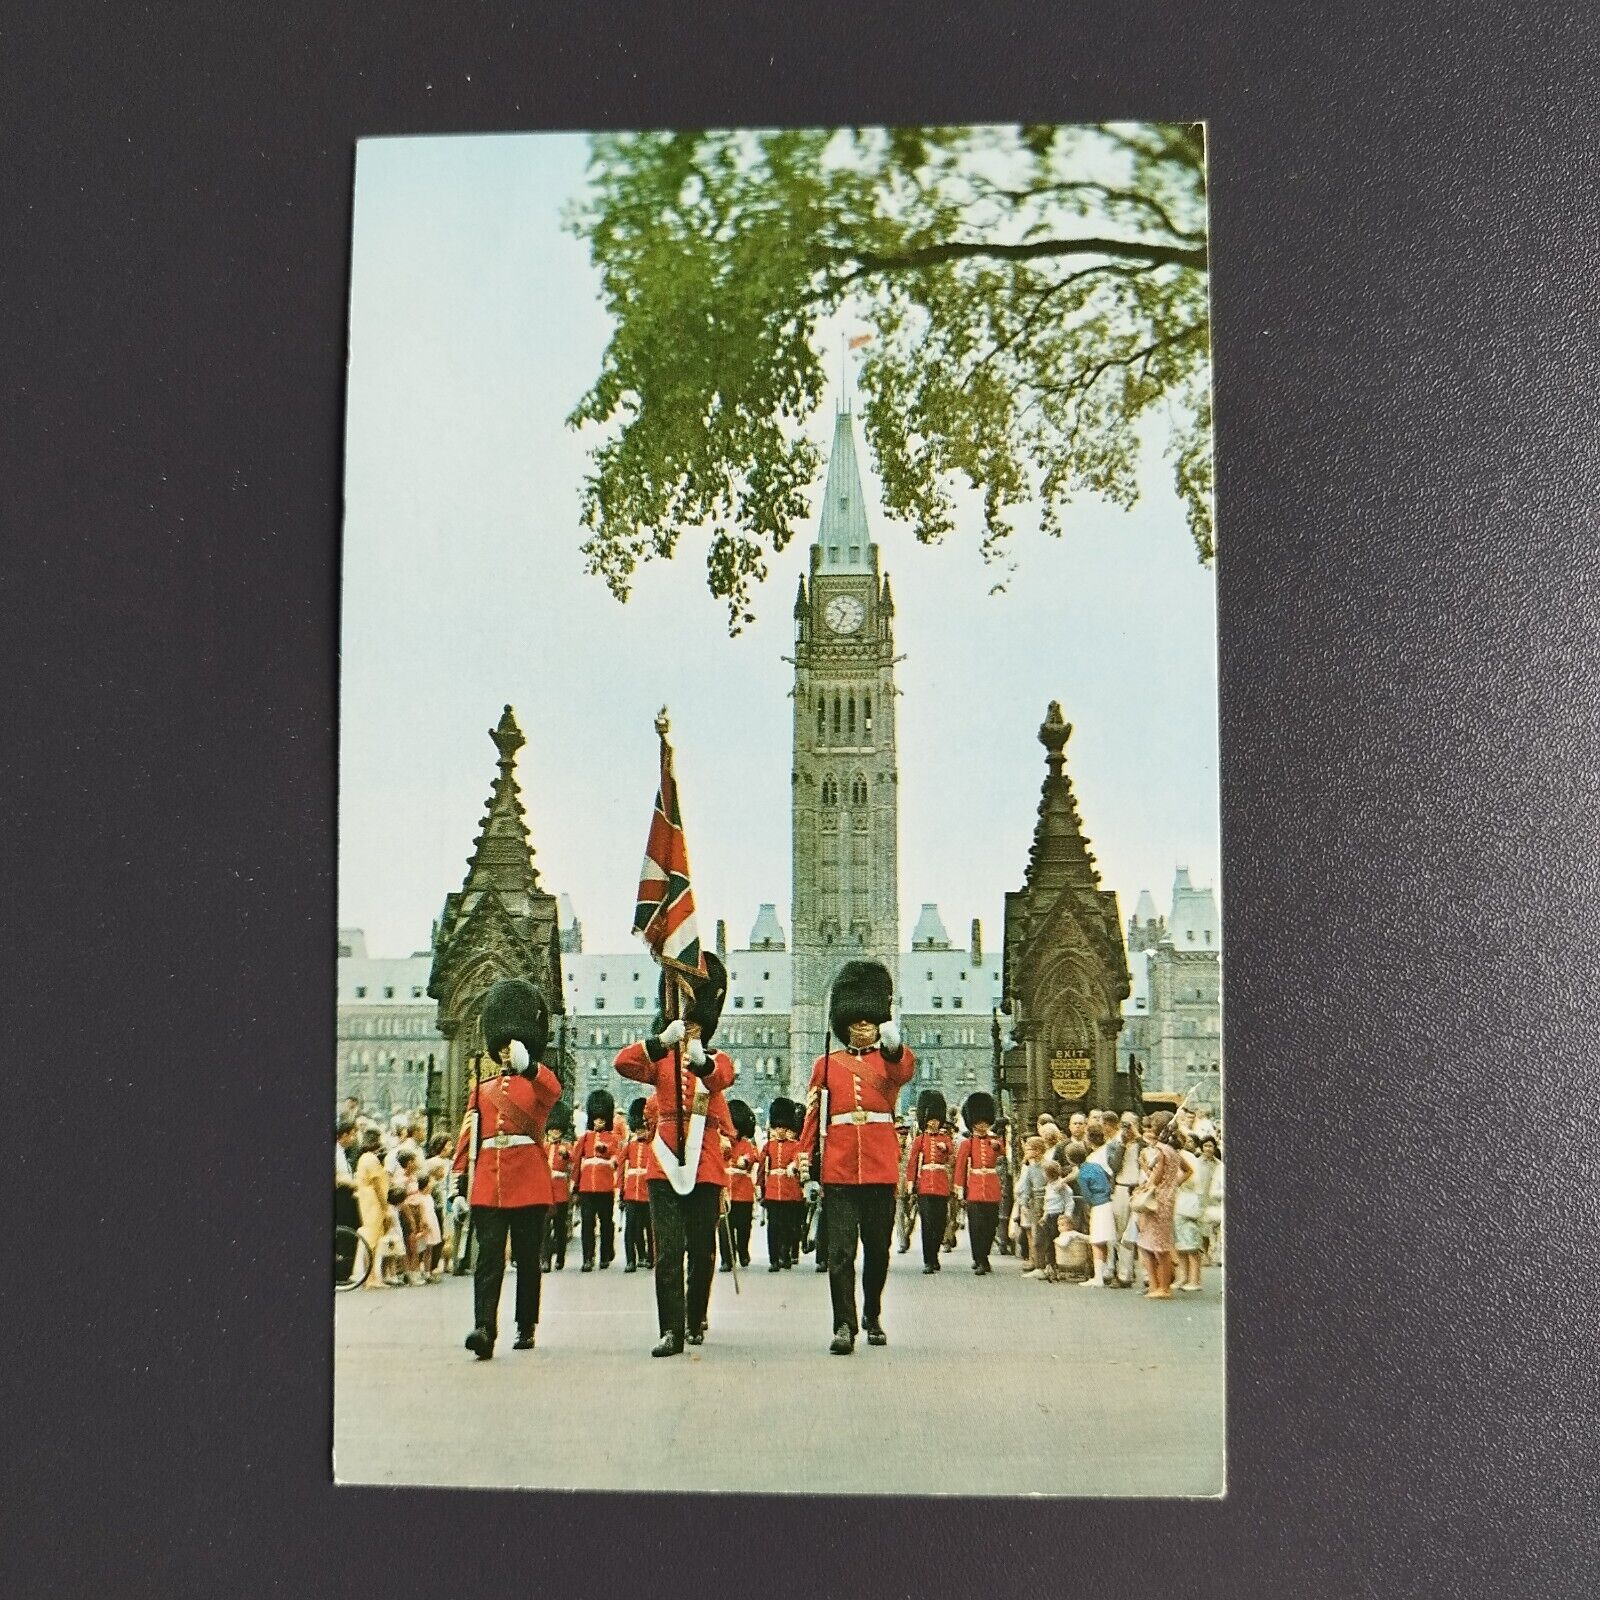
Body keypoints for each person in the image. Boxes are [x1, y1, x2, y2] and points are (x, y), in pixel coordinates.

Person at [613, 952, 737, 1357]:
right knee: (668, 1252)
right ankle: (671, 1329)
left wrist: (699, 1059)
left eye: (697, 1026)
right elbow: (623, 1063)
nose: (690, 1032)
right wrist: (658, 1042)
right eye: (686, 1027)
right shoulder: (661, 1059)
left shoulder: (717, 1060)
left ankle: (696, 1315)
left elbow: (720, 1077)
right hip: (664, 1164)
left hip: (704, 1167)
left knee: (701, 1251)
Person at [797, 959, 916, 1355]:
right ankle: (844, 1324)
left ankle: (872, 1314)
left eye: (870, 1020)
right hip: (840, 1169)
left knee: (877, 1250)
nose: (863, 1027)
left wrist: (893, 1042)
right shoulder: (826, 1065)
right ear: (843, 1022)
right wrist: (809, 1168)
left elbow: (903, 1071)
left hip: (879, 1167)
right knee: (841, 1252)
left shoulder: (890, 1060)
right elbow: (814, 1119)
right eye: (856, 1021)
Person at [450, 977, 563, 1358]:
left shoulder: (538, 1083)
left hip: (528, 1182)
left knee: (528, 1260)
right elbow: (471, 1134)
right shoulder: (482, 1089)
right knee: (488, 1260)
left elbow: (553, 1091)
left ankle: (525, 1324)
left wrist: (530, 1066)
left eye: (509, 1047)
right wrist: (457, 1183)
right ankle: (484, 1327)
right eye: (499, 1047)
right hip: (488, 1183)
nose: (503, 1054)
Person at [1135, 1118, 1195, 1301]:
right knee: (1152, 1242)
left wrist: (1145, 1185)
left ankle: (1163, 1287)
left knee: (1157, 1245)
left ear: (1159, 1129)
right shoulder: (1173, 1151)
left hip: (1158, 1199)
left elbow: (1156, 1178)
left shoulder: (1161, 1150)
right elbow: (1188, 1170)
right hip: (1167, 1197)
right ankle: (1157, 1285)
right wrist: (1173, 1185)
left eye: (1153, 1126)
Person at [904, 1090, 954, 1274]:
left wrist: (945, 1149)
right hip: (924, 1184)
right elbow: (912, 1162)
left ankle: (935, 1254)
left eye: (936, 1120)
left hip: (940, 1184)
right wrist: (910, 1183)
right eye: (931, 1120)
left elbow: (952, 1156)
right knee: (927, 1223)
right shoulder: (919, 1140)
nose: (934, 1123)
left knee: (939, 1222)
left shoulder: (945, 1139)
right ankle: (928, 1260)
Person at [571, 1089, 622, 1270]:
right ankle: (588, 1258)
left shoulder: (612, 1139)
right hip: (586, 1187)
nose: (598, 1123)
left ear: (606, 1120)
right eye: (596, 1119)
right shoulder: (585, 1138)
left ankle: (605, 1255)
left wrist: (606, 1151)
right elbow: (577, 1162)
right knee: (587, 1224)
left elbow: (617, 1158)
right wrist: (575, 1186)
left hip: (605, 1186)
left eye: (601, 1120)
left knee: (606, 1223)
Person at [953, 1092, 1003, 1274]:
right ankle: (980, 1259)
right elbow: (960, 1167)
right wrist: (960, 1189)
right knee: (976, 1226)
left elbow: (1002, 1156)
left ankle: (984, 1255)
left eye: (985, 1123)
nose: (982, 1126)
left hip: (991, 1187)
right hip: (974, 1188)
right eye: (978, 1123)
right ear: (973, 1123)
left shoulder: (995, 1141)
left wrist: (999, 1148)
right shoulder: (967, 1144)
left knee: (991, 1225)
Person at [760, 1097, 804, 1270]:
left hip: (789, 1190)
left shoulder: (795, 1145)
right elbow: (763, 1168)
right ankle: (773, 1260)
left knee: (788, 1226)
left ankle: (785, 1255)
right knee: (773, 1227)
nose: (780, 1131)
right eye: (777, 1127)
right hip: (772, 1190)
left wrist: (794, 1166)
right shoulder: (768, 1146)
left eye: (783, 1127)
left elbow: (798, 1159)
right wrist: (760, 1188)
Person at [720, 1098, 759, 1271]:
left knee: (743, 1227)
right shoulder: (721, 1143)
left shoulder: (746, 1144)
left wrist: (745, 1160)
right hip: (725, 1192)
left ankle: (742, 1251)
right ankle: (726, 1259)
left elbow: (752, 1156)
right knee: (724, 1228)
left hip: (742, 1192)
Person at [353, 1127, 391, 1291]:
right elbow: (377, 1186)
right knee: (372, 1239)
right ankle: (371, 1277)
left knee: (372, 1240)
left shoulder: (364, 1158)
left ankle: (372, 1276)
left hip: (367, 1200)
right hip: (373, 1201)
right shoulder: (371, 1160)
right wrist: (386, 1207)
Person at [620, 1097, 655, 1272]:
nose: (641, 1132)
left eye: (644, 1129)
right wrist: (620, 1191)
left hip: (648, 1192)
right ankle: (630, 1260)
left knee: (650, 1228)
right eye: (638, 1129)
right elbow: (621, 1168)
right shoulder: (629, 1146)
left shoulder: (654, 1146)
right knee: (630, 1228)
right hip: (631, 1192)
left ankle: (651, 1257)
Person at [541, 1103, 574, 1271]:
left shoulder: (566, 1146)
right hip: (545, 1190)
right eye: (553, 1130)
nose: (555, 1133)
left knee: (560, 1227)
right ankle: (545, 1259)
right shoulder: (543, 1147)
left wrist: (566, 1155)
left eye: (558, 1131)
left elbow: (572, 1159)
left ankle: (560, 1257)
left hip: (560, 1190)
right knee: (545, 1227)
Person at [1014, 1136, 1046, 1271]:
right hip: (1028, 1200)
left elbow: (1026, 1186)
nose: (1027, 1152)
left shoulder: (1037, 1166)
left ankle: (1038, 1261)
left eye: (1029, 1150)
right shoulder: (1028, 1165)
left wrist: (1024, 1202)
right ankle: (1033, 1259)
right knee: (1029, 1232)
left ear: (1038, 1150)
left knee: (1035, 1232)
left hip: (1036, 1200)